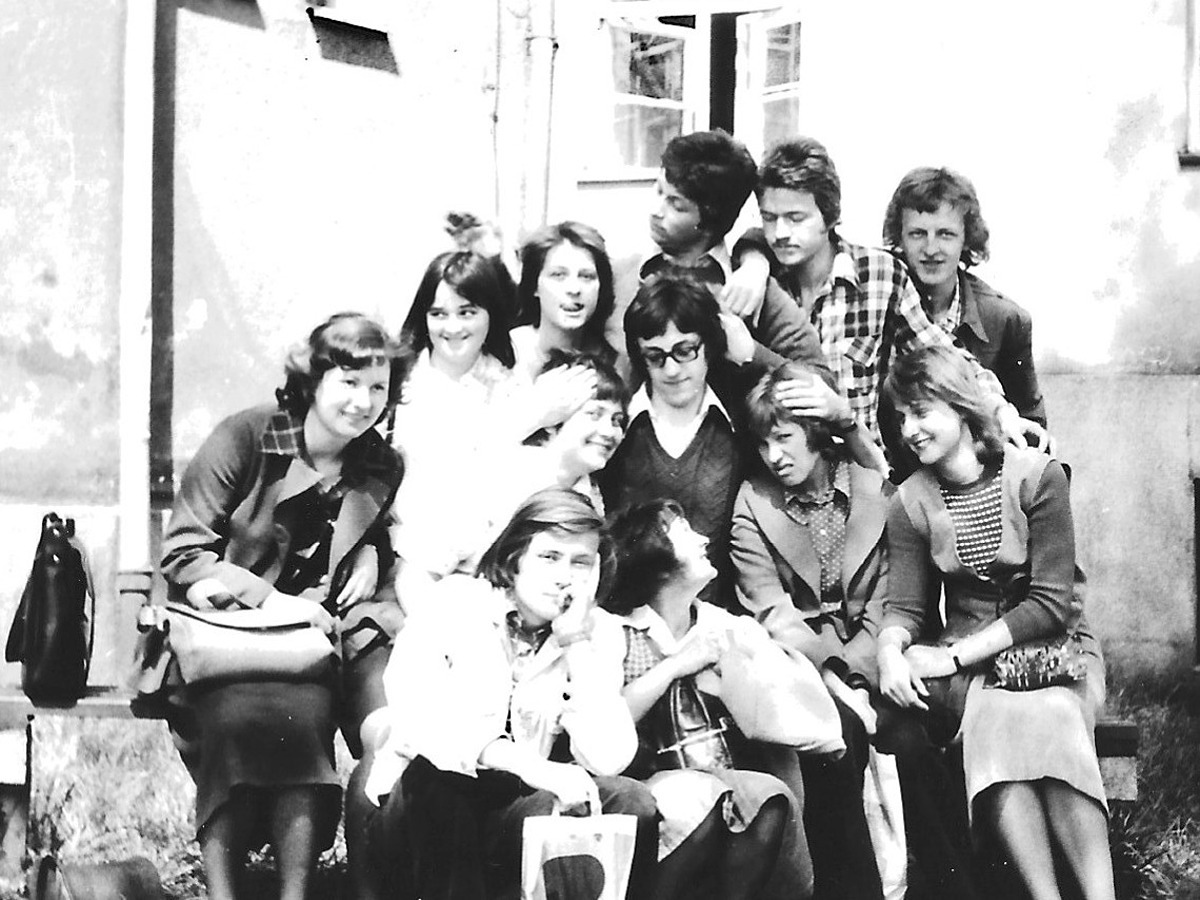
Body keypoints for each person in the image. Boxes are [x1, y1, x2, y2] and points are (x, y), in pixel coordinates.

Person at [159, 312, 407, 900]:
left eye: (377, 387)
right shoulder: (246, 438)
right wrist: (272, 601)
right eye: (349, 382)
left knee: (342, 721)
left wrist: (372, 552)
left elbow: (373, 533)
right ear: (313, 380)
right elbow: (183, 553)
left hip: (325, 642)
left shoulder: (379, 463)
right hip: (232, 638)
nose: (363, 401)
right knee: (244, 721)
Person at [876, 345, 1114, 900]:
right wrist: (890, 650)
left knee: (1051, 714)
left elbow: (1050, 604)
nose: (909, 430)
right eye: (901, 417)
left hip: (1057, 654)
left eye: (922, 412)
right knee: (1000, 717)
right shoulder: (910, 501)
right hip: (977, 672)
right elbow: (906, 607)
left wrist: (951, 657)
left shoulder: (1038, 475)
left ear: (961, 405)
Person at [362, 488, 659, 900]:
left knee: (630, 801)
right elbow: (419, 719)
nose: (565, 576)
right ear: (515, 559)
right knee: (440, 780)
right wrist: (531, 766)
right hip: (420, 816)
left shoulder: (598, 632)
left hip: (513, 811)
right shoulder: (455, 601)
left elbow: (610, 757)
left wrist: (574, 643)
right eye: (550, 557)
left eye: (581, 562)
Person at [734, 137, 1041, 453]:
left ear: (830, 214)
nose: (780, 233)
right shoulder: (754, 282)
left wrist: (1000, 409)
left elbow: (944, 355)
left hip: (862, 466)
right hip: (775, 465)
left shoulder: (879, 275)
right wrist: (752, 260)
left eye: (796, 218)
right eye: (769, 218)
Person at [601, 499, 815, 900]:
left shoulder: (725, 627)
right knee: (717, 803)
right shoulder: (618, 632)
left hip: (726, 773)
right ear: (655, 560)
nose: (702, 539)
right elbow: (608, 722)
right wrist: (676, 666)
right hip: (646, 779)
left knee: (768, 799)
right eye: (684, 533)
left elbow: (780, 721)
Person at [731, 361, 888, 900]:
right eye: (763, 443)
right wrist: (836, 680)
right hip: (803, 669)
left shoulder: (871, 488)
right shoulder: (754, 501)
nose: (773, 455)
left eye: (784, 438)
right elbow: (771, 609)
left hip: (876, 662)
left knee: (909, 743)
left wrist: (860, 676)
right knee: (836, 738)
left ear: (816, 433)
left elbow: (887, 601)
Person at [599, 274, 848, 609]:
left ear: (710, 346)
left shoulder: (740, 415)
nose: (671, 370)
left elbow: (814, 398)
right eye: (655, 356)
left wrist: (754, 355)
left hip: (728, 617)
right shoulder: (617, 425)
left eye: (684, 351)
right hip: (633, 619)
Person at [389, 250, 595, 588]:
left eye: (467, 312)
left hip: (496, 556)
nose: (452, 327)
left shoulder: (511, 377)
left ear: (489, 314)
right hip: (419, 557)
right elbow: (448, 477)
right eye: (438, 314)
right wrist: (529, 416)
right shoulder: (404, 385)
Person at [398, 350, 630, 617]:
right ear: (554, 420)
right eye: (594, 414)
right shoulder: (501, 476)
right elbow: (417, 574)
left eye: (617, 421)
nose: (609, 431)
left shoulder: (592, 501)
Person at [881, 166, 1046, 426]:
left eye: (945, 234)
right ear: (900, 238)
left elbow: (1030, 420)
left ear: (967, 238)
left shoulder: (1006, 320)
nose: (931, 249)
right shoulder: (880, 298)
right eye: (917, 234)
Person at [511, 221, 625, 381]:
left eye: (586, 276)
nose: (574, 289)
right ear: (534, 285)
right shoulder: (508, 352)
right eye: (558, 275)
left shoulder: (619, 364)